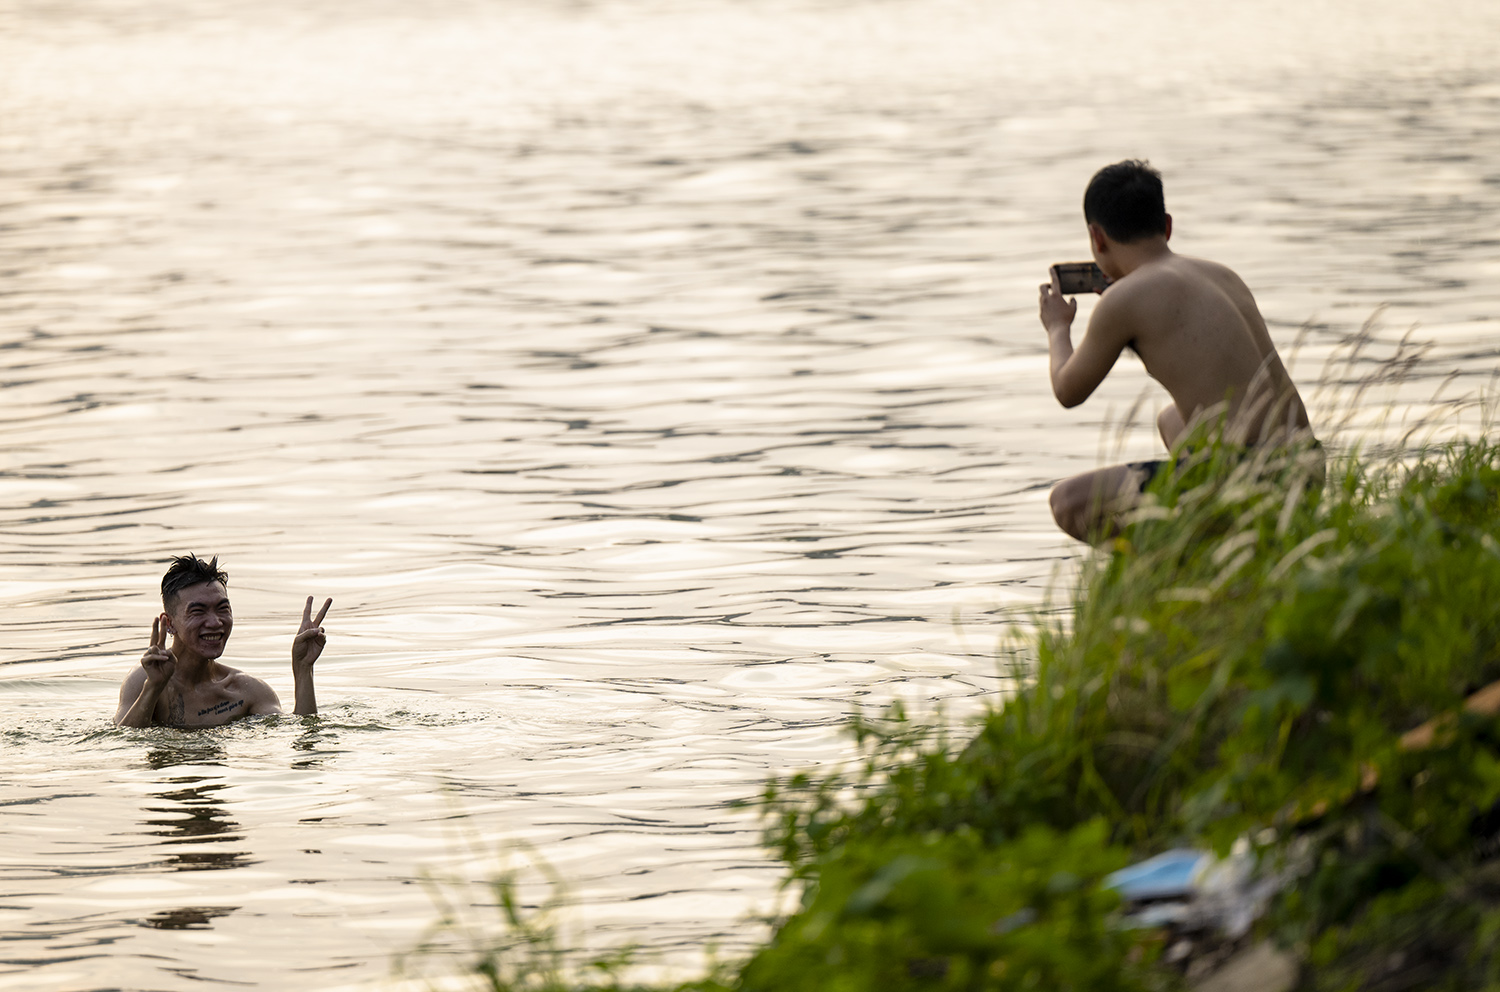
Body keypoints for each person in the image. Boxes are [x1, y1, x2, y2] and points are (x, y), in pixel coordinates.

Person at [1038, 160, 1316, 543]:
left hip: (1255, 474)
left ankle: (1175, 570)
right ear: (1166, 226)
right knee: (1172, 419)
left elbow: (1067, 390)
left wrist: (1057, 328)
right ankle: (1238, 539)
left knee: (1067, 503)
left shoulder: (1123, 301)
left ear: (1097, 238)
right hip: (1307, 466)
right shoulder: (1221, 274)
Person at [114, 554, 332, 728]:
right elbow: (124, 744)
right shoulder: (144, 679)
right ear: (169, 623)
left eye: (223, 609)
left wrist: (303, 669)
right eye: (198, 612)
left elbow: (303, 734)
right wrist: (153, 688)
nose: (215, 622)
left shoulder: (247, 691)